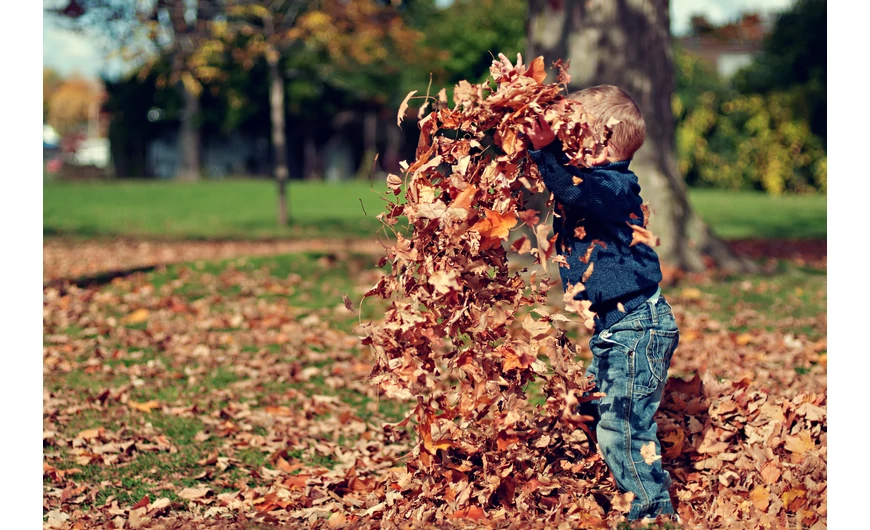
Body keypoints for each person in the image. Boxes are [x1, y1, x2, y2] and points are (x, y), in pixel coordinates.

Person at [525, 84, 681, 522]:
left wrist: (546, 153)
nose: (566, 148)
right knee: (594, 406)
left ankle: (652, 512)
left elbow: (574, 191)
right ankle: (610, 482)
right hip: (617, 329)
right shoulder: (594, 184)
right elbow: (567, 187)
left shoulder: (614, 187)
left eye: (573, 138)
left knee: (624, 428)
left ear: (599, 142)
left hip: (637, 328)